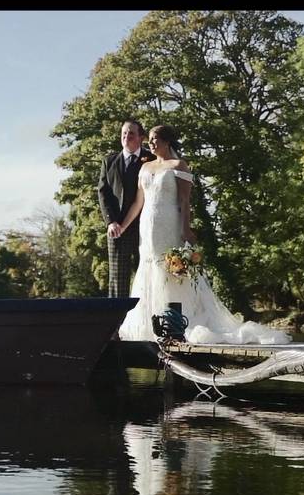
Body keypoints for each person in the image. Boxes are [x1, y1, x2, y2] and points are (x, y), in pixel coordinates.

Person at [114, 125, 290, 344]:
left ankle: (177, 323)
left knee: (170, 272)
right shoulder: (145, 167)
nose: (151, 143)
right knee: (148, 268)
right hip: (147, 227)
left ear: (167, 141)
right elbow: (138, 202)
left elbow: (185, 201)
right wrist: (122, 225)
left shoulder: (179, 165)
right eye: (149, 139)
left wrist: (185, 229)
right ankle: (151, 326)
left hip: (169, 223)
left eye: (155, 138)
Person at [98, 119, 153, 297]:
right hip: (117, 228)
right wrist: (110, 221)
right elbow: (103, 193)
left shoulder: (151, 159)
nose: (126, 137)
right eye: (123, 133)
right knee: (117, 278)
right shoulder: (109, 161)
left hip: (145, 227)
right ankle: (116, 322)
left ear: (141, 138)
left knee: (146, 275)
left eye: (131, 133)